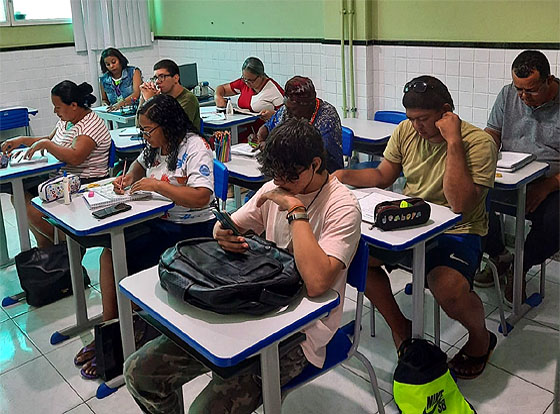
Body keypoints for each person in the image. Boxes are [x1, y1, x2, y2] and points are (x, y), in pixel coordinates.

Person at [123, 117, 362, 414]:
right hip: (251, 305)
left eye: (288, 177)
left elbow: (316, 284)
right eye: (275, 176)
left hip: (301, 334)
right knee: (139, 374)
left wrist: (296, 210)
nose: (280, 184)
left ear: (315, 164)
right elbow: (230, 225)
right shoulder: (275, 186)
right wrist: (222, 232)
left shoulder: (342, 206)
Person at [333, 75, 498, 380]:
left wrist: (453, 142)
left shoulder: (478, 143)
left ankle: (481, 339)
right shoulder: (406, 131)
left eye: (423, 119)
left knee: (448, 289)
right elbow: (383, 175)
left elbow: (459, 203)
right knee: (354, 257)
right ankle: (402, 329)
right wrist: (341, 176)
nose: (416, 126)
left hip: (459, 230)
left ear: (446, 112)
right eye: (411, 119)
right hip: (411, 223)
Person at [75, 94, 216, 379]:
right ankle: (112, 329)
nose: (145, 135)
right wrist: (128, 178)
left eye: (148, 129)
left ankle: (128, 332)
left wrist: (157, 186)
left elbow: (202, 197)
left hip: (190, 230)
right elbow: (138, 165)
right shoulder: (154, 145)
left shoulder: (194, 146)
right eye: (142, 130)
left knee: (123, 259)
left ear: (168, 125)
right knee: (109, 254)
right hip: (158, 222)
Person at [474, 50, 559, 305]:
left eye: (531, 90)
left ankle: (520, 266)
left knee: (555, 222)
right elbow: (492, 132)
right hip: (509, 176)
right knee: (472, 199)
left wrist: (549, 185)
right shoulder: (507, 94)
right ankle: (500, 255)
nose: (523, 96)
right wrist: (484, 153)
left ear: (549, 80)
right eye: (518, 89)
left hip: (551, 182)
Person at [1, 81, 111, 249]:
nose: (55, 111)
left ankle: (67, 244)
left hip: (83, 183)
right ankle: (47, 247)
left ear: (73, 105)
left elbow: (75, 157)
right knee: (17, 195)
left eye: (58, 107)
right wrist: (21, 140)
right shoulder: (67, 121)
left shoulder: (91, 125)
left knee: (27, 205)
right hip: (61, 178)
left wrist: (47, 145)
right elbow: (50, 139)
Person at [256, 76, 343, 173]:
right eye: (286, 106)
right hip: (290, 170)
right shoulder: (287, 109)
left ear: (308, 105)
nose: (288, 113)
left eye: (293, 109)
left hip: (322, 172)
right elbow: (269, 126)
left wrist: (273, 149)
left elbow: (316, 155)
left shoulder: (327, 117)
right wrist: (262, 137)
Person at [139, 59, 201, 133]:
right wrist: (144, 96)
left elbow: (173, 129)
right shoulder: (162, 97)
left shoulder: (188, 99)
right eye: (156, 78)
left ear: (176, 78)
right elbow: (139, 124)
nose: (157, 81)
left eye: (162, 76)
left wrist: (151, 102)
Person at [214, 56, 284, 121]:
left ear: (261, 76)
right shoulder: (244, 83)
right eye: (244, 79)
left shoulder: (272, 89)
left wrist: (274, 115)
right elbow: (222, 88)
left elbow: (287, 115)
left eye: (251, 80)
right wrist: (217, 97)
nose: (247, 83)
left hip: (263, 127)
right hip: (241, 125)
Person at [99, 47, 142, 112]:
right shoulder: (104, 79)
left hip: (134, 111)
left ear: (120, 60)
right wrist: (104, 104)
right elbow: (104, 99)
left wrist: (120, 104)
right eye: (108, 64)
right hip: (115, 113)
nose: (111, 66)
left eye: (114, 62)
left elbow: (137, 93)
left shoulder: (133, 72)